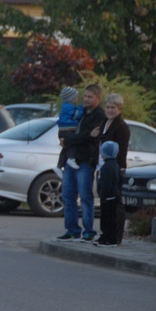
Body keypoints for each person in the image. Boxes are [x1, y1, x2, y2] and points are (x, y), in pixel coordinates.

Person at [56, 84, 105, 242]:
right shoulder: (80, 110)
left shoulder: (99, 115)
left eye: (90, 97)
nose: (86, 99)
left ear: (98, 98)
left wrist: (68, 140)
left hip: (85, 159)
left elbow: (89, 136)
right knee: (68, 196)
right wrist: (66, 139)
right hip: (70, 158)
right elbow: (64, 128)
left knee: (85, 196)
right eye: (84, 96)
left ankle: (89, 231)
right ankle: (72, 230)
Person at [95, 93, 130, 245]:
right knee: (104, 203)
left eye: (113, 108)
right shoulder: (104, 123)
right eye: (108, 107)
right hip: (101, 166)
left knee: (114, 204)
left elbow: (121, 150)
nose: (109, 110)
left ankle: (114, 236)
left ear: (119, 109)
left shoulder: (121, 127)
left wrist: (116, 168)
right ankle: (105, 233)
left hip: (113, 168)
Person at [95, 141, 121, 248]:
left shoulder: (106, 167)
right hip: (113, 196)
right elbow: (120, 180)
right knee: (109, 218)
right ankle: (105, 236)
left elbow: (106, 183)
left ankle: (110, 239)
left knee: (108, 219)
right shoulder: (115, 165)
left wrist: (103, 195)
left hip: (108, 197)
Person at [56, 86, 84, 170]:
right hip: (68, 129)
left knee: (65, 148)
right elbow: (76, 115)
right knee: (73, 143)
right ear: (71, 99)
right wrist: (82, 108)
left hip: (62, 130)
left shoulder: (64, 107)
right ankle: (71, 158)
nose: (76, 100)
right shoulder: (70, 107)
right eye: (75, 98)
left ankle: (59, 165)